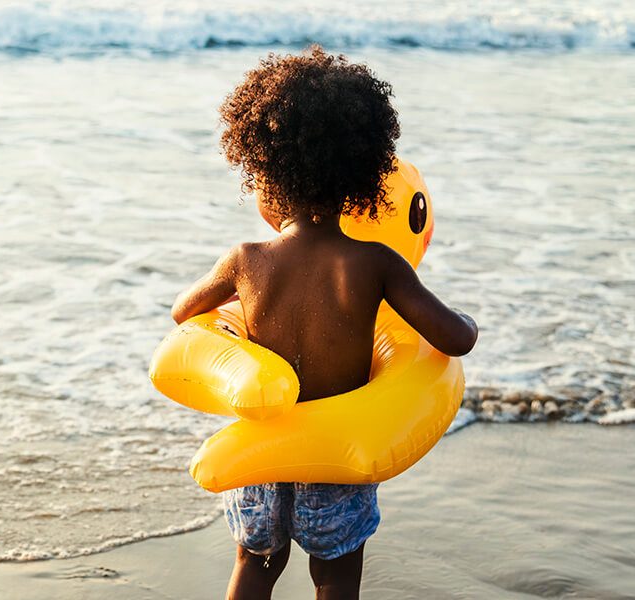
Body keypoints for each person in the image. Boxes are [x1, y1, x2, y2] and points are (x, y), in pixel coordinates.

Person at [171, 46, 478, 600]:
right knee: (334, 575)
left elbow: (183, 312)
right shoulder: (376, 265)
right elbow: (455, 339)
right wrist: (470, 322)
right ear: (362, 181)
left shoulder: (244, 258)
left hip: (260, 451)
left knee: (256, 565)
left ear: (262, 172)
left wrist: (238, 321)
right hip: (337, 454)